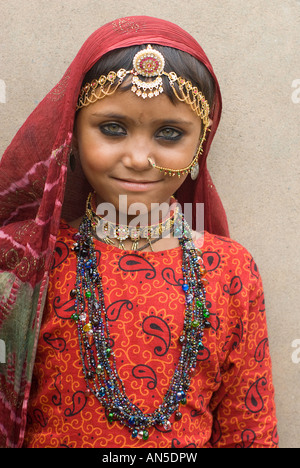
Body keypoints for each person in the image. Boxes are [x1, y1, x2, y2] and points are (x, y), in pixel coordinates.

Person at [0, 16, 278, 448]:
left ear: (199, 146)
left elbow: (250, 431)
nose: (138, 157)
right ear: (71, 135)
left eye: (169, 133)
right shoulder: (25, 260)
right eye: (112, 128)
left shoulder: (229, 271)